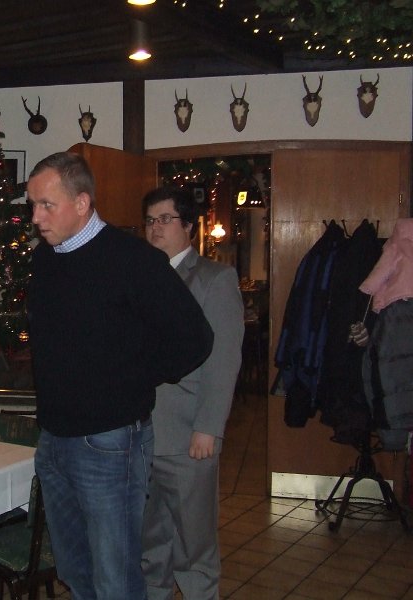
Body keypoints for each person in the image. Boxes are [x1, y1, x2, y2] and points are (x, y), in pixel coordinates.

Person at [26, 153, 213, 600]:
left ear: (82, 203)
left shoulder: (133, 260)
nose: (36, 217)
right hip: (53, 440)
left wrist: (134, 376)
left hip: (109, 443)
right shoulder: (45, 259)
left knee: (117, 579)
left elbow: (195, 338)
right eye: (32, 205)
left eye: (47, 205)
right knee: (74, 569)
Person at [141, 186, 244, 600]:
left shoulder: (214, 280)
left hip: (188, 436)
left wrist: (209, 427)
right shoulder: (142, 278)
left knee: (194, 546)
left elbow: (224, 359)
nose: (155, 228)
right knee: (151, 545)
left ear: (189, 225)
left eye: (165, 219)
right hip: (143, 432)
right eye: (150, 220)